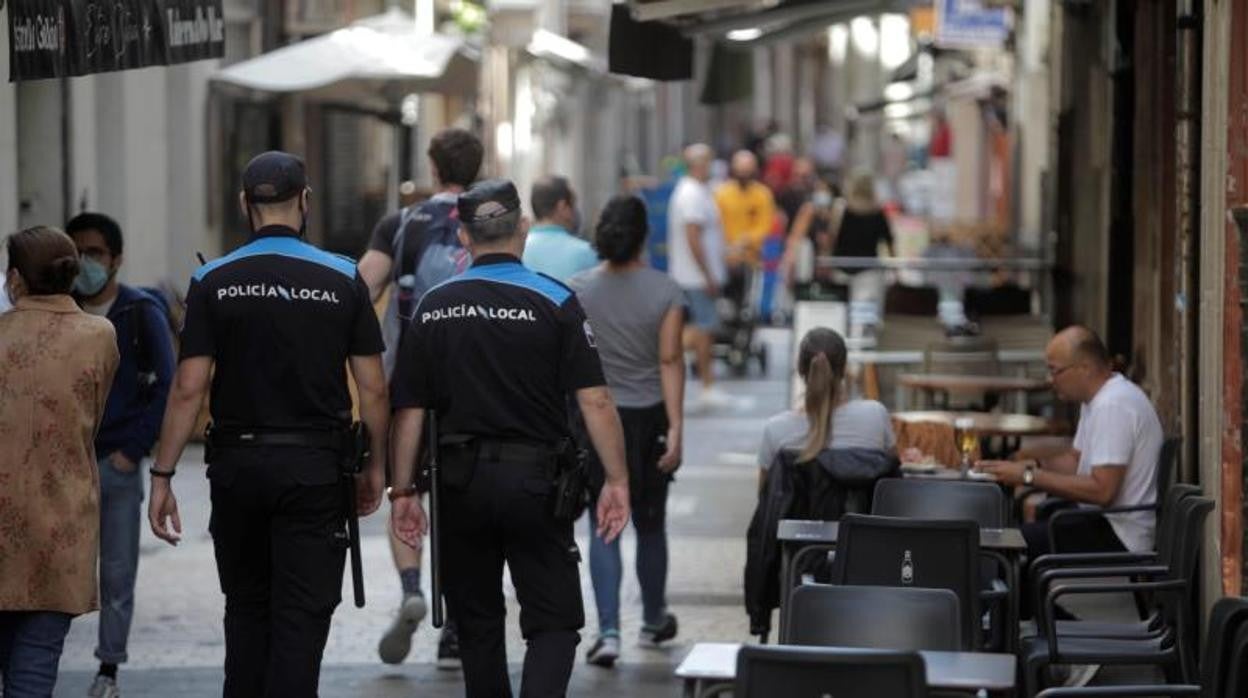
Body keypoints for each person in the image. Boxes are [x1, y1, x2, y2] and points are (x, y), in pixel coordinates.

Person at [145, 151, 389, 697]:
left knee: (247, 611)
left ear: (243, 205)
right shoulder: (344, 277)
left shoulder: (212, 279)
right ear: (305, 202)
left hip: (238, 469)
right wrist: (376, 466)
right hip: (315, 470)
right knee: (301, 623)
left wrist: (162, 475)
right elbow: (373, 387)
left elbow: (189, 388)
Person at [388, 179, 631, 698]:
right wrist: (616, 479)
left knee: (476, 623)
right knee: (554, 622)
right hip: (537, 484)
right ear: (522, 227)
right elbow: (596, 401)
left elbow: (409, 408)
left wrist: (403, 491)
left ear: (463, 234)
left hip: (458, 485)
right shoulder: (556, 300)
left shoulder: (433, 306)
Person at [357, 128, 483, 667]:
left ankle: (412, 584)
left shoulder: (402, 223)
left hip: (408, 379)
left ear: (433, 168)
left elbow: (361, 288)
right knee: (461, 505)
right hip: (473, 384)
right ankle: (455, 628)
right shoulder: (488, 219)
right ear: (477, 169)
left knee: (401, 488)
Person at [0, 227, 119, 697]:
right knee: (36, 667)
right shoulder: (98, 335)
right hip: (61, 521)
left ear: (15, 279)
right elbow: (93, 414)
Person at [568, 196, 686, 667]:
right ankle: (654, 620)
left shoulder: (576, 290)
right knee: (651, 524)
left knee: (604, 524)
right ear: (644, 237)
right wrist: (677, 425)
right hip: (649, 418)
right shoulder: (666, 291)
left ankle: (609, 631)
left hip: (595, 420)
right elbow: (670, 360)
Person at [66, 213, 177, 698]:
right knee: (55, 570)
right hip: (64, 466)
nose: (85, 263)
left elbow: (170, 386)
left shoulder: (138, 312)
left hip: (116, 463)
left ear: (116, 259)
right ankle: (37, 659)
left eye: (95, 253)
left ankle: (108, 668)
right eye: (77, 253)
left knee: (116, 572)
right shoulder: (61, 310)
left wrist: (134, 451)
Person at [978, 326, 1163, 559]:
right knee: (1019, 529)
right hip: (1103, 520)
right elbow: (1076, 461)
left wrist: (1028, 476)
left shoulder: (1113, 405)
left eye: (1055, 371)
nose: (1051, 380)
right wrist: (1030, 463)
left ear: (1084, 368)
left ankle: (1018, 593)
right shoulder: (1098, 398)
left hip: (1120, 535)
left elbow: (1103, 491)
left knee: (1008, 546)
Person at [757, 327, 895, 487]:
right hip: (861, 513)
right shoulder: (875, 415)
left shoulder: (776, 429)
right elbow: (891, 478)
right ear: (844, 369)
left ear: (801, 369)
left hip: (798, 513)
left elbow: (766, 499)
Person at [667, 143, 731, 410]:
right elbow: (693, 236)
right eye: (707, 161)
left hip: (695, 274)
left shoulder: (697, 192)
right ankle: (707, 385)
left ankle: (704, 381)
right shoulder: (691, 194)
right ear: (698, 164)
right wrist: (707, 274)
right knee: (704, 330)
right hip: (694, 276)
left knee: (701, 328)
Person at [521, 175, 597, 283]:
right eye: (573, 205)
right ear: (562, 207)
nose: (576, 212)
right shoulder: (588, 253)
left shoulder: (518, 251)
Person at [715, 150, 777, 269]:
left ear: (754, 170)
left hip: (752, 259)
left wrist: (744, 241)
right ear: (733, 169)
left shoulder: (763, 195)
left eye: (747, 171)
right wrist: (729, 248)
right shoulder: (721, 194)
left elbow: (764, 226)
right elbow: (717, 223)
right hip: (725, 258)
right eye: (740, 170)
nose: (744, 174)